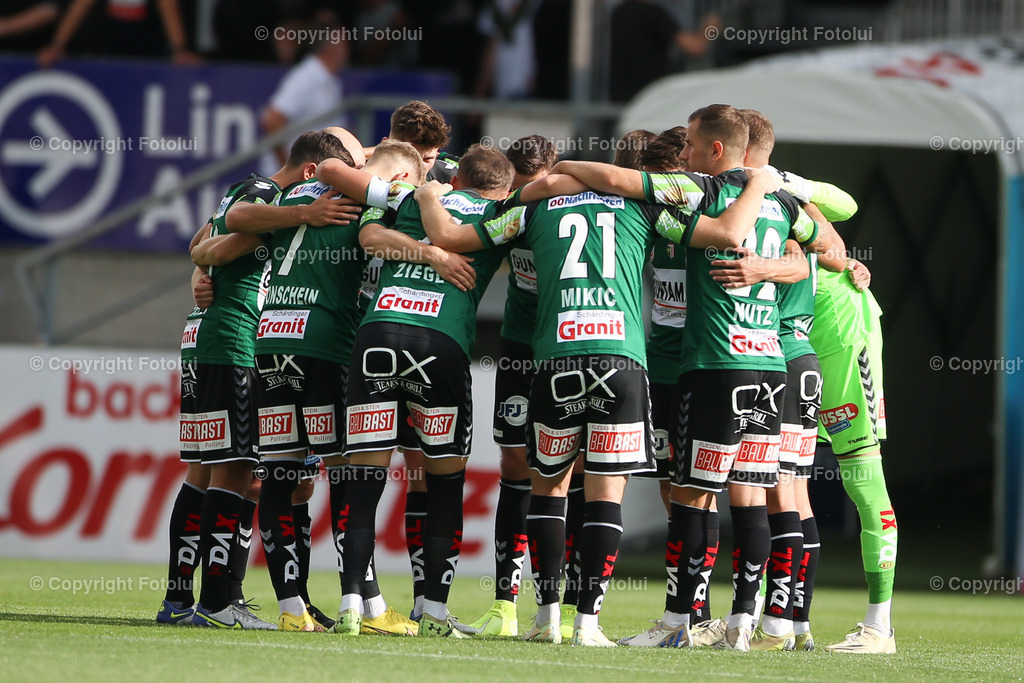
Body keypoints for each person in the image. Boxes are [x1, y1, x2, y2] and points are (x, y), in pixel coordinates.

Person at [416, 139, 786, 647]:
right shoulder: (647, 205)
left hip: (556, 356)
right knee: (605, 492)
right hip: (621, 359)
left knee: (547, 488)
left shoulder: (532, 205)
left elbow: (450, 236)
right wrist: (765, 187)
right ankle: (587, 622)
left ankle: (546, 619)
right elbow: (726, 233)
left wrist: (427, 197)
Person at [550, 103, 845, 650]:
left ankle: (678, 622)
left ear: (713, 150)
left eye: (688, 146)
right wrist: (774, 236)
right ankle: (746, 624)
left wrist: (561, 169)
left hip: (712, 368)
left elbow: (616, 178)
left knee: (693, 496)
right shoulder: (782, 203)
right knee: (753, 497)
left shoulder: (699, 195)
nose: (681, 157)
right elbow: (828, 249)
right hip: (768, 366)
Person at [158, 131, 357, 630]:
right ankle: (219, 601)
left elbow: (199, 243)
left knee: (208, 472)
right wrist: (304, 216)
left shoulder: (248, 187)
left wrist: (203, 265)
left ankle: (182, 600)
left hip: (211, 340)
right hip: (239, 341)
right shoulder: (269, 195)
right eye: (335, 175)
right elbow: (229, 234)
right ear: (313, 173)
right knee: (241, 472)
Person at [462, 135, 566, 639]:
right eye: (519, 190)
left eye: (535, 189)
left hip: (568, 349)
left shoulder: (575, 211)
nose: (526, 199)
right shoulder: (509, 213)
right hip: (521, 348)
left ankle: (563, 607)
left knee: (572, 473)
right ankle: (505, 605)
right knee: (514, 464)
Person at [261, 32, 348, 173]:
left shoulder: (330, 79)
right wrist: (287, 168)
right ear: (331, 49)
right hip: (292, 179)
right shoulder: (305, 77)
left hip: (313, 173)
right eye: (345, 44)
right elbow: (272, 120)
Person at [609, 0, 718, 102]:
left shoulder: (619, 12)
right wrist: (710, 28)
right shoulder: (653, 13)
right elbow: (695, 47)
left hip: (621, 98)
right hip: (650, 96)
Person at [37, 0, 199, 67]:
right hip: (106, 50)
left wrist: (179, 49)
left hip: (147, 52)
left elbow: (168, 6)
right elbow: (81, 6)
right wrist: (57, 45)